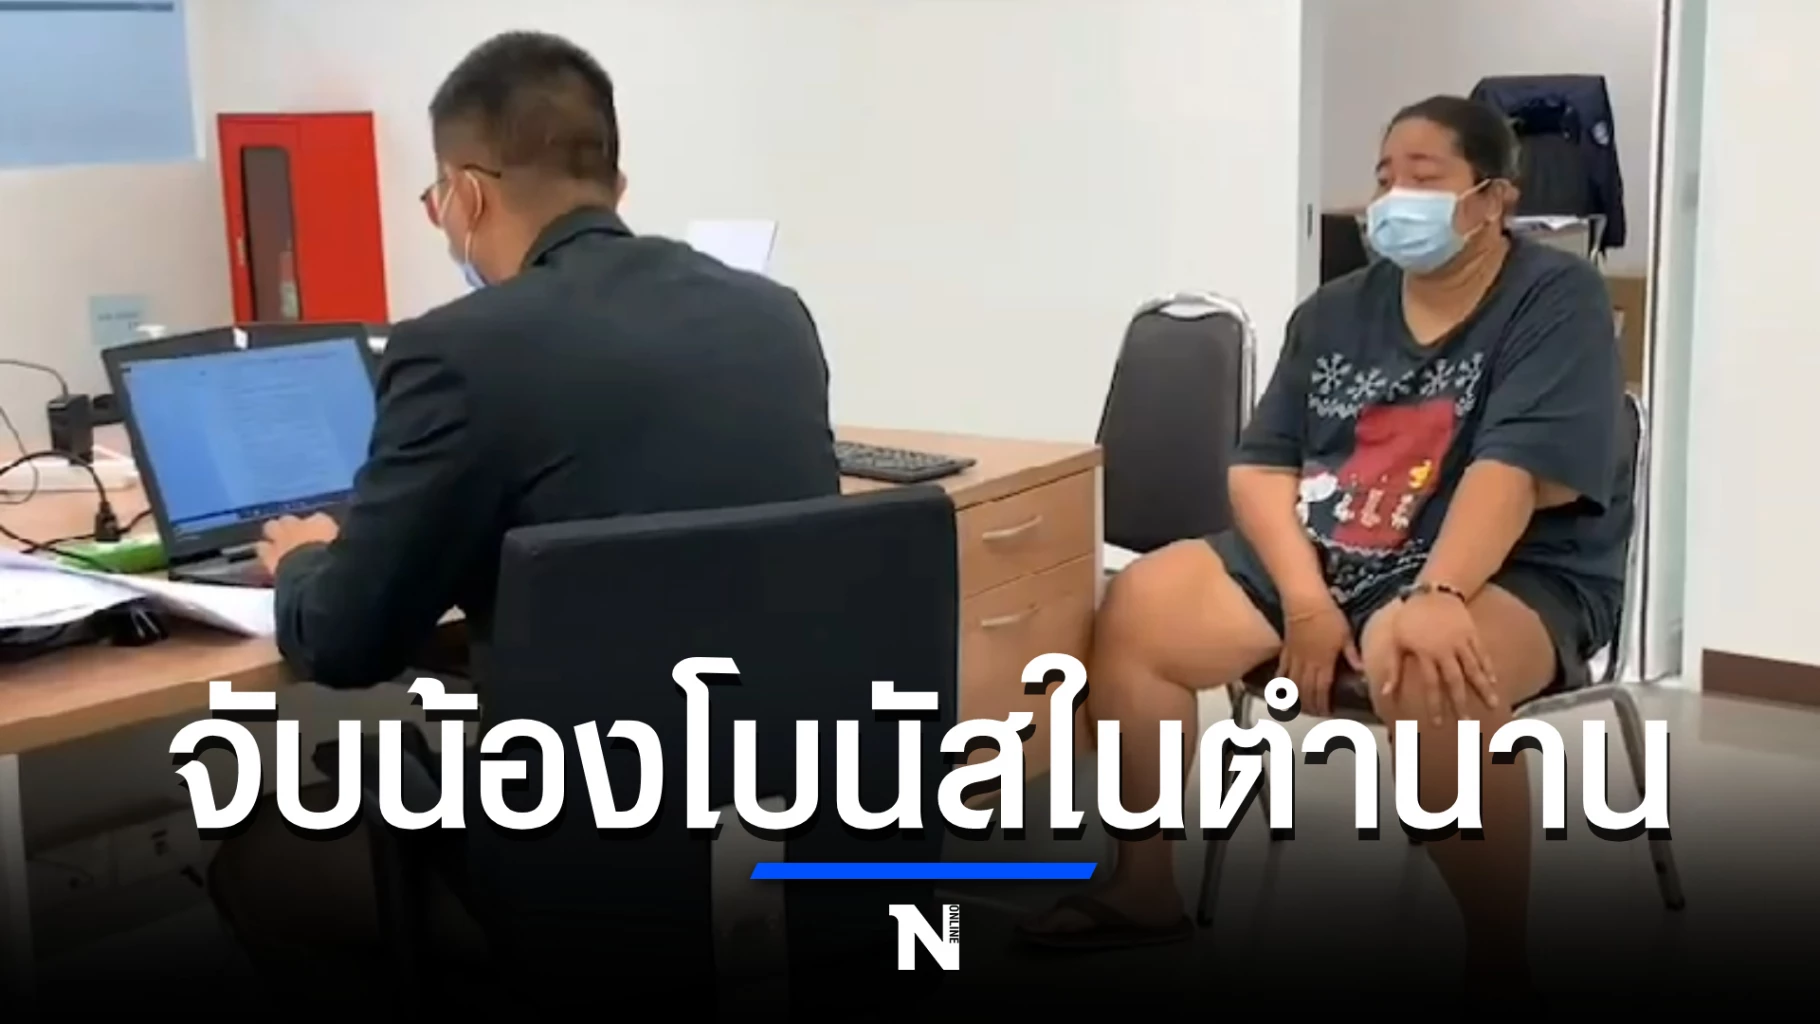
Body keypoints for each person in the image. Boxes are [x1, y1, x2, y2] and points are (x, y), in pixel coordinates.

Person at [208, 30, 840, 996]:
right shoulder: (774, 316)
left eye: (436, 202)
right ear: (614, 184)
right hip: (792, 814)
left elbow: (344, 641)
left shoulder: (458, 351)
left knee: (269, 851)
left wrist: (302, 560)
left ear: (466, 194)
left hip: (592, 851)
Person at [1018, 95, 1627, 992]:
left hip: (1510, 568)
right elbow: (1261, 467)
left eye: (1424, 176)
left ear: (1495, 198)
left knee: (1426, 660)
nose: (1395, 198)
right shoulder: (1336, 310)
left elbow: (1516, 471)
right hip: (1336, 550)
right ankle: (1142, 884)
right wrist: (1305, 601)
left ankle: (1500, 959)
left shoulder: (1555, 296)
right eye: (1385, 178)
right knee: (1142, 603)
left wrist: (1436, 595)